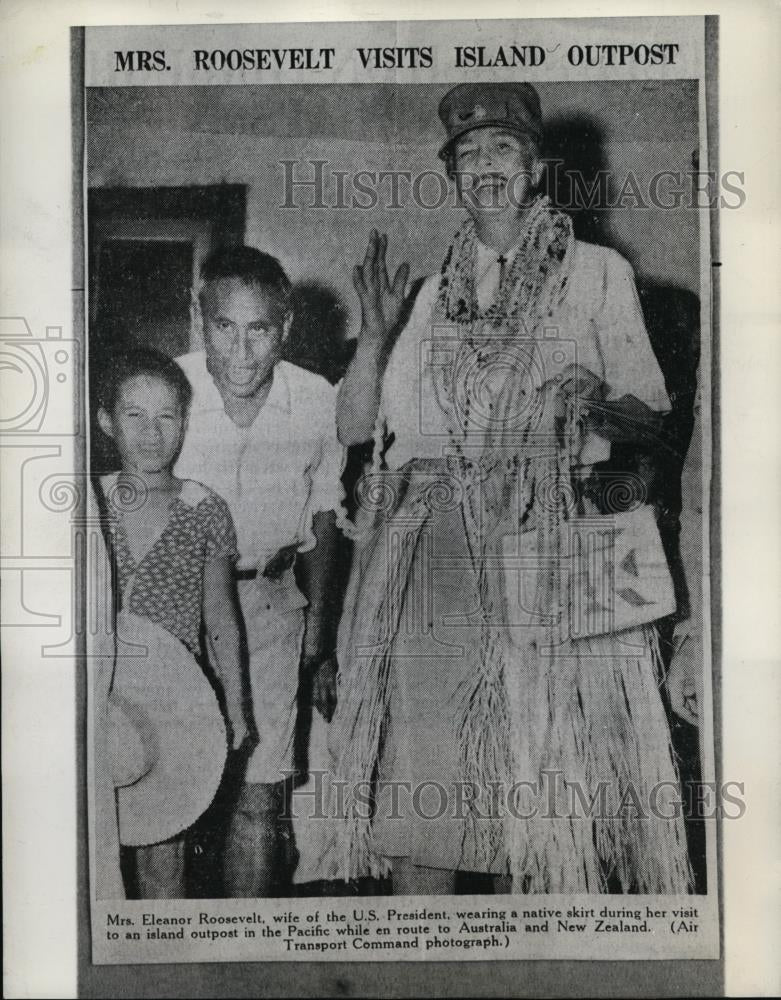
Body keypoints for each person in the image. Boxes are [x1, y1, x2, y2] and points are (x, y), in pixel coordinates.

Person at [317, 82, 693, 895]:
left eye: (502, 150)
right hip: (438, 550)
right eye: (467, 154)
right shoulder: (428, 298)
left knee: (561, 776)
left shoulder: (597, 272)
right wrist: (376, 335)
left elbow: (653, 420)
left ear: (534, 170)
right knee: (428, 770)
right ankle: (429, 953)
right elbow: (358, 431)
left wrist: (590, 393)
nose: (484, 166)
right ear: (451, 174)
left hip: (559, 533)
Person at [175, 245, 344, 897]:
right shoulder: (171, 391)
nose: (241, 352)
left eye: (259, 330)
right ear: (200, 319)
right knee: (175, 795)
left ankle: (247, 956)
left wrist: (319, 639)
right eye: (224, 327)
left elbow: (327, 516)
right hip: (181, 610)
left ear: (287, 327)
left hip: (272, 609)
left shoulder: (316, 399)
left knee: (259, 797)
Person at [96, 347, 247, 898]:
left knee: (165, 856)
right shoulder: (87, 500)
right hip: (98, 697)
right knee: (94, 859)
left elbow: (222, 619)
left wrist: (236, 705)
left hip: (175, 704)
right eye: (135, 415)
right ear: (106, 421)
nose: (151, 433)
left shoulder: (205, 507)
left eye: (167, 417)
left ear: (186, 423)